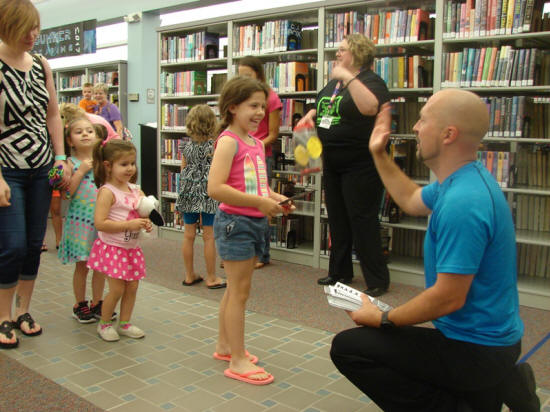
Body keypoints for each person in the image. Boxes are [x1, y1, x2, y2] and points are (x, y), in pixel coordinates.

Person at [330, 89, 540, 412]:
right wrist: (378, 154)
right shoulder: (460, 181)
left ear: (448, 134)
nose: (415, 127)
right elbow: (411, 199)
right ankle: (502, 384)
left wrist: (383, 318)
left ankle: (491, 385)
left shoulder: (463, 202)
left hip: (477, 350)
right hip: (483, 341)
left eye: (423, 119)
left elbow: (448, 298)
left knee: (349, 348)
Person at [208, 76, 292, 385]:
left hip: (253, 221)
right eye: (253, 106)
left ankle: (225, 346)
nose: (260, 112)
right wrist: (258, 202)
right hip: (236, 224)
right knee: (240, 293)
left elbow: (258, 186)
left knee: (234, 290)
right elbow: (215, 188)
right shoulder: (229, 141)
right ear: (232, 107)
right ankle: (238, 359)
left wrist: (275, 198)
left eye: (263, 106)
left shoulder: (255, 142)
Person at [297, 34, 390, 297]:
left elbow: (369, 107)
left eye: (342, 50)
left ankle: (377, 279)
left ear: (358, 53)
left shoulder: (371, 82)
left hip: (361, 164)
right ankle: (340, 272)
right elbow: (328, 107)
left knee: (362, 220)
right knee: (337, 219)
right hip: (333, 162)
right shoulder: (334, 83)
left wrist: (348, 77)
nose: (337, 54)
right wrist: (311, 113)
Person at [0, 0, 70, 350]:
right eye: (24, 28)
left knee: (32, 244)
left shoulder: (42, 65)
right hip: (6, 168)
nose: (32, 35)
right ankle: (2, 315)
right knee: (11, 245)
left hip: (41, 168)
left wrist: (61, 156)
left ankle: (23, 311)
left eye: (35, 27)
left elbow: (53, 114)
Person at [89, 139, 151, 342]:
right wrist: (128, 225)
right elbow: (100, 223)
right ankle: (104, 323)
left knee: (132, 287)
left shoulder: (136, 190)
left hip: (131, 248)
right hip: (113, 248)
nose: (130, 168)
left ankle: (124, 323)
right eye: (124, 164)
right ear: (108, 165)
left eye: (132, 163)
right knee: (117, 289)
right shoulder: (107, 192)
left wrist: (146, 223)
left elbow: (143, 213)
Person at [58, 118, 115, 323]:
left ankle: (97, 302)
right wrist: (81, 171)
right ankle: (80, 303)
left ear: (97, 137)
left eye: (89, 131)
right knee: (82, 266)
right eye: (79, 132)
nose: (85, 134)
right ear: (69, 140)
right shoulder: (68, 164)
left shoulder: (103, 162)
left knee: (100, 266)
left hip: (101, 221)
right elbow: (67, 194)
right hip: (79, 223)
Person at [238, 56, 282, 269]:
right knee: (243, 201)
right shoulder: (242, 98)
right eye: (240, 76)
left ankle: (262, 254)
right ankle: (241, 250)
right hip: (242, 153)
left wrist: (252, 147)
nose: (243, 80)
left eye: (248, 75)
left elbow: (273, 134)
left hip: (261, 154)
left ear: (258, 74)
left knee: (262, 201)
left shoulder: (271, 98)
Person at [176, 105, 225, 289]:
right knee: (209, 236)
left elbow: (183, 169)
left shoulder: (186, 146)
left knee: (188, 235)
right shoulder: (215, 147)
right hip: (208, 192)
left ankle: (189, 275)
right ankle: (211, 277)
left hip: (188, 191)